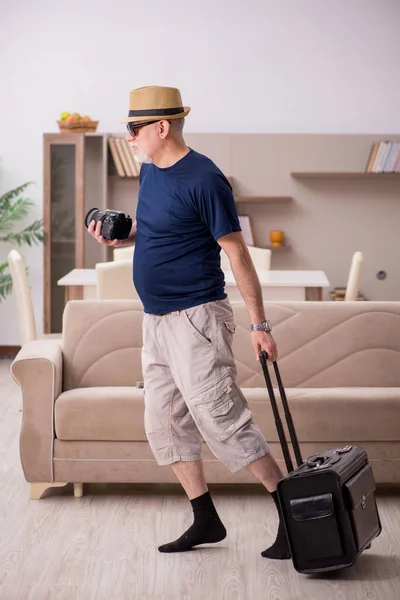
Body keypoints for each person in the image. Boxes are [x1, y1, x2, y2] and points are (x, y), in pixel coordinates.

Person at [87, 85, 290, 560]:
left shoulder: (205, 178)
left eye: (135, 128)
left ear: (162, 127)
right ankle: (205, 518)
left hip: (197, 319)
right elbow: (159, 229)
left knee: (223, 421)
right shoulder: (150, 171)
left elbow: (236, 252)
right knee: (165, 424)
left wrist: (261, 325)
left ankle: (292, 514)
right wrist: (127, 236)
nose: (130, 136)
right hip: (155, 322)